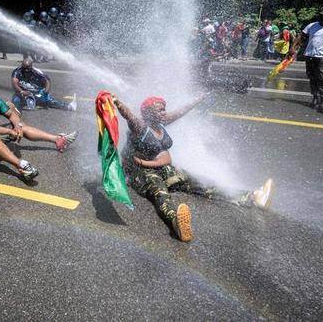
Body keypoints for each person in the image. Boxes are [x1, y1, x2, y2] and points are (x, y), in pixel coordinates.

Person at [112, 94, 274, 242]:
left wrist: (197, 99)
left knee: (199, 182)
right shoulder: (139, 127)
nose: (163, 112)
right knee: (159, 193)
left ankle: (253, 197)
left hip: (161, 168)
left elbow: (179, 112)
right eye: (159, 110)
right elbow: (129, 116)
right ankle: (176, 221)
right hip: (140, 173)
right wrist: (118, 103)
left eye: (164, 109)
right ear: (147, 112)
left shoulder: (160, 125)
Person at [0, 74, 78, 181]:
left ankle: (58, 140)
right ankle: (22, 166)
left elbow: (11, 114)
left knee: (19, 125)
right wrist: (9, 131)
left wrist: (18, 126)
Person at [289, 9, 323, 113]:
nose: (321, 18)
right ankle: (315, 96)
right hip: (310, 55)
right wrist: (292, 47)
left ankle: (322, 102)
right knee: (312, 78)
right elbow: (301, 36)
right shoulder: (312, 25)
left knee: (322, 79)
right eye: (320, 16)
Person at [10, 58, 77, 111]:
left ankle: (70, 106)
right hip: (22, 92)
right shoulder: (17, 71)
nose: (26, 70)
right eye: (25, 68)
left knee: (49, 101)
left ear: (31, 67)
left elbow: (47, 81)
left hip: (36, 92)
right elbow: (14, 83)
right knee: (15, 103)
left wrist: (45, 92)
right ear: (22, 66)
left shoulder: (37, 71)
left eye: (28, 68)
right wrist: (22, 91)